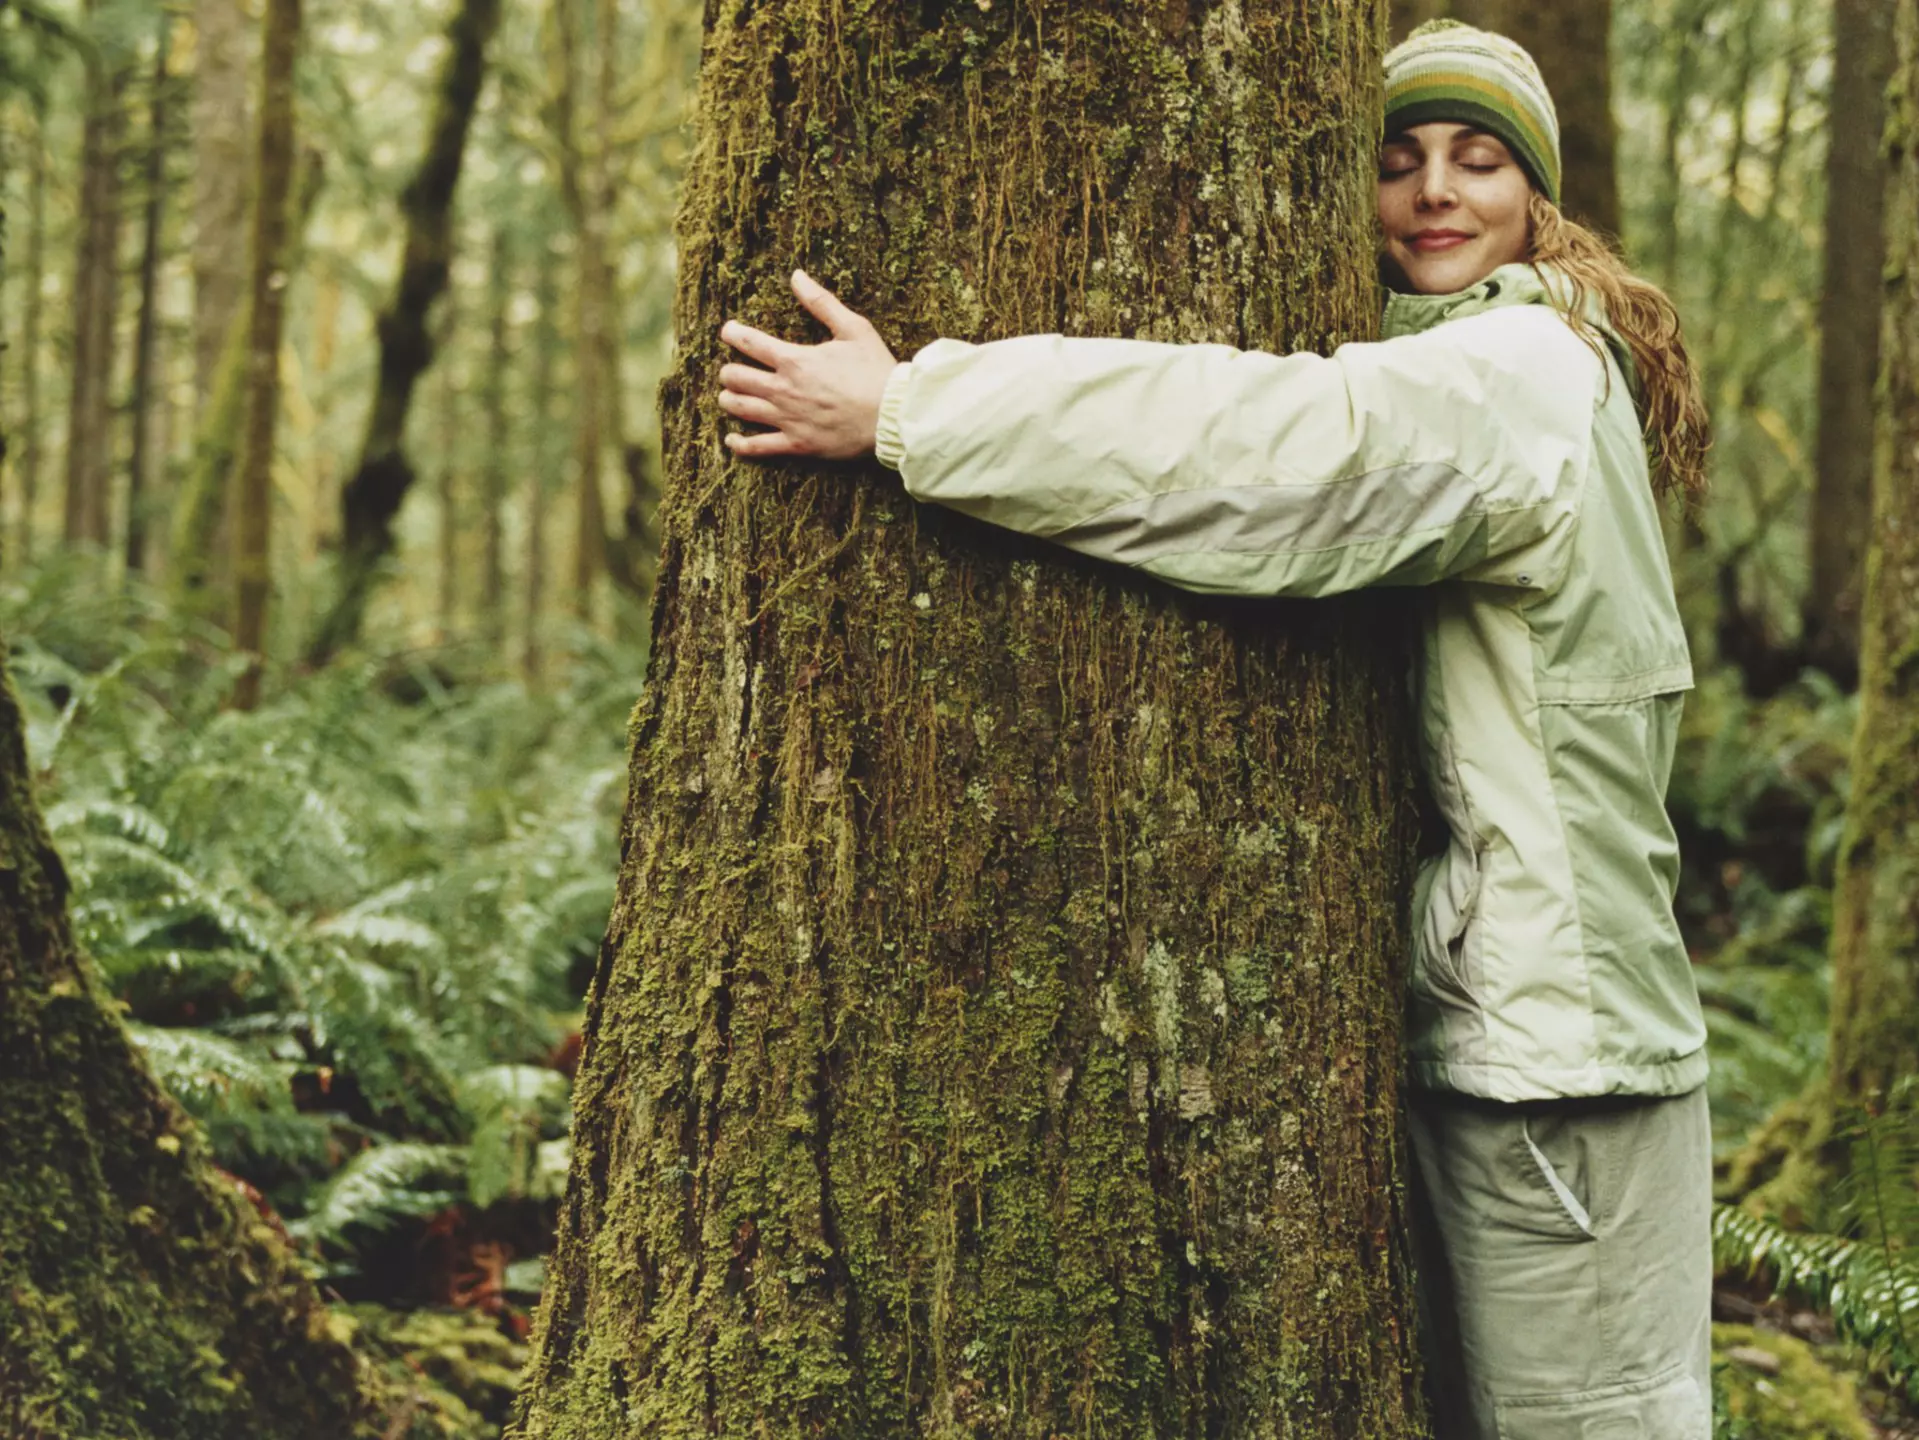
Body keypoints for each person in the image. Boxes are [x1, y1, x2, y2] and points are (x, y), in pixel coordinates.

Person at [716, 20, 1714, 1440]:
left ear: (1537, 197)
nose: (1435, 190)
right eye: (1397, 160)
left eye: (1479, 159)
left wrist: (915, 408)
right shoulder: (1523, 359)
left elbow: (1270, 453)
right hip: (1532, 1046)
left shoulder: (1524, 374)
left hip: (1563, 1076)